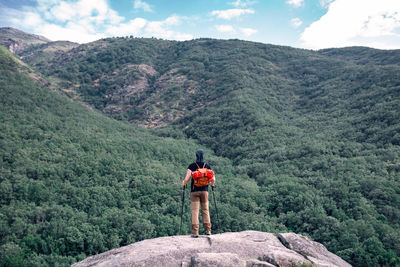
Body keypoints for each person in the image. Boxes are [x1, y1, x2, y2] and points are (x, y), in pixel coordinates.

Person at [182, 149, 215, 237]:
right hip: (205, 191)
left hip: (194, 192)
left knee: (195, 211)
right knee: (205, 210)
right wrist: (212, 185)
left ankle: (195, 232)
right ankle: (208, 230)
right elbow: (213, 179)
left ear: (196, 156)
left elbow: (187, 179)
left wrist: (183, 183)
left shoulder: (192, 166)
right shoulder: (207, 166)